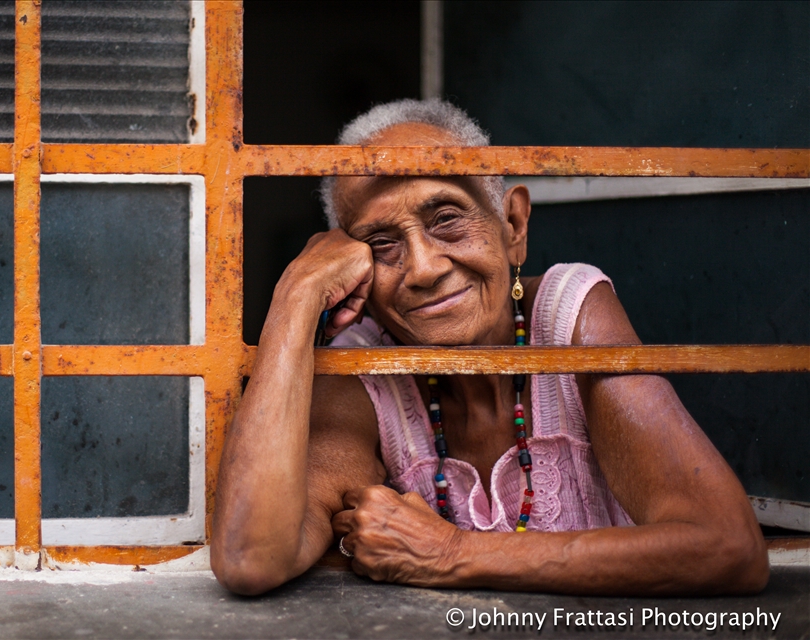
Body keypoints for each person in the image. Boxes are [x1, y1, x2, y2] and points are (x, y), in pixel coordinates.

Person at [210, 99, 769, 596]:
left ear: (513, 225)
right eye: (381, 245)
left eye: (447, 219)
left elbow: (725, 547)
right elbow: (250, 558)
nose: (424, 269)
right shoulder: (363, 366)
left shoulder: (570, 313)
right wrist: (298, 292)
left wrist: (451, 554)